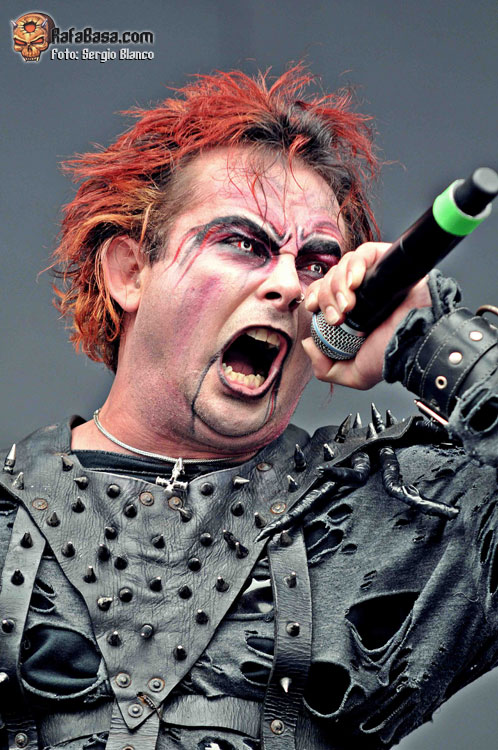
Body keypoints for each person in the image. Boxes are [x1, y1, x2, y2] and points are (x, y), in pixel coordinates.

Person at [0, 66, 496, 750]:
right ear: (129, 271)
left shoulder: (409, 516)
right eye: (244, 244)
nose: (290, 284)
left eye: (318, 263)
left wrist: (434, 343)